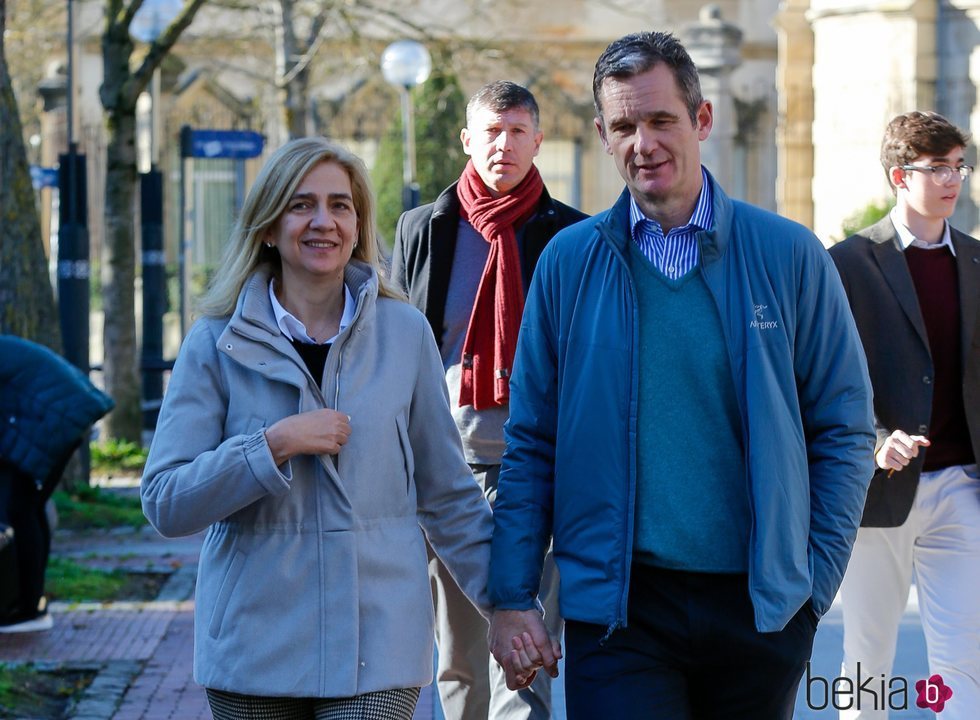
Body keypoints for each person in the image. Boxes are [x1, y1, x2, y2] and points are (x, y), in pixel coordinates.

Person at [486, 31, 876, 720]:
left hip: (759, 610)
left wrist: (812, 589)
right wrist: (513, 596)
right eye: (626, 126)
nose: (645, 143)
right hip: (620, 612)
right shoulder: (569, 265)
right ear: (603, 133)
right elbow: (532, 443)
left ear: (701, 120)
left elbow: (843, 428)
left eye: (662, 120)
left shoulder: (788, 254)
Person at [141, 137, 493, 720]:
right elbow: (166, 501)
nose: (323, 221)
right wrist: (272, 446)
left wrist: (508, 608)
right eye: (301, 205)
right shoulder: (215, 341)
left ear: (358, 226)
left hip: (375, 646)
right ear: (269, 227)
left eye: (340, 205)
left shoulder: (405, 335)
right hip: (254, 645)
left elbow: (448, 494)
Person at [391, 80, 586, 720]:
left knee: (527, 653)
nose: (503, 145)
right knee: (460, 658)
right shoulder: (424, 230)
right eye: (491, 132)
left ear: (538, 140)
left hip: (537, 468)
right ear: (468, 140)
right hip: (445, 471)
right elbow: (396, 346)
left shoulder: (574, 237)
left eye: (517, 131)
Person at [829, 111, 980, 720]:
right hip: (879, 492)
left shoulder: (976, 261)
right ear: (899, 174)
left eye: (959, 167)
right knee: (868, 657)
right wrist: (874, 441)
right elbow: (828, 380)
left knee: (964, 657)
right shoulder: (849, 264)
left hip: (961, 486)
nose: (952, 180)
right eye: (937, 168)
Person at [0, 334, 113, 633]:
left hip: (56, 414)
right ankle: (32, 602)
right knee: (29, 506)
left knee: (19, 509)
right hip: (65, 410)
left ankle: (25, 609)